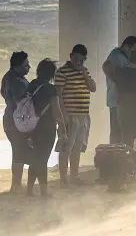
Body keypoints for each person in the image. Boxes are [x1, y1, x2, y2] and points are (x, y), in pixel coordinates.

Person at [26, 59, 68, 197]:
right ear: (52, 74)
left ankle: (30, 189)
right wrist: (63, 130)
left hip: (31, 127)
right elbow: (57, 112)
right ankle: (44, 191)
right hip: (46, 128)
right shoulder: (51, 89)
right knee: (42, 160)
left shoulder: (31, 85)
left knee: (35, 158)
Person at [55, 44, 96, 186]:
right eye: (77, 59)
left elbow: (93, 88)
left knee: (77, 148)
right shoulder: (62, 72)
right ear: (71, 56)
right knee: (66, 147)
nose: (79, 62)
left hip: (83, 115)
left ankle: (74, 176)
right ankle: (63, 179)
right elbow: (58, 96)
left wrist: (84, 73)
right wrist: (63, 115)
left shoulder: (84, 71)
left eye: (82, 60)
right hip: (70, 116)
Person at [0, 51, 31, 193]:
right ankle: (16, 185)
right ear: (17, 67)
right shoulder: (17, 81)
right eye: (26, 65)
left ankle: (16, 184)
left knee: (18, 150)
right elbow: (22, 103)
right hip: (17, 121)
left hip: (9, 119)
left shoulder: (7, 77)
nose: (29, 67)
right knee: (19, 151)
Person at [102, 36, 136, 144]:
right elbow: (107, 69)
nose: (134, 52)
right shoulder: (115, 57)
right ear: (126, 47)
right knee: (116, 130)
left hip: (124, 100)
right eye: (133, 49)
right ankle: (114, 155)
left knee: (124, 130)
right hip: (117, 100)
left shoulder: (123, 57)